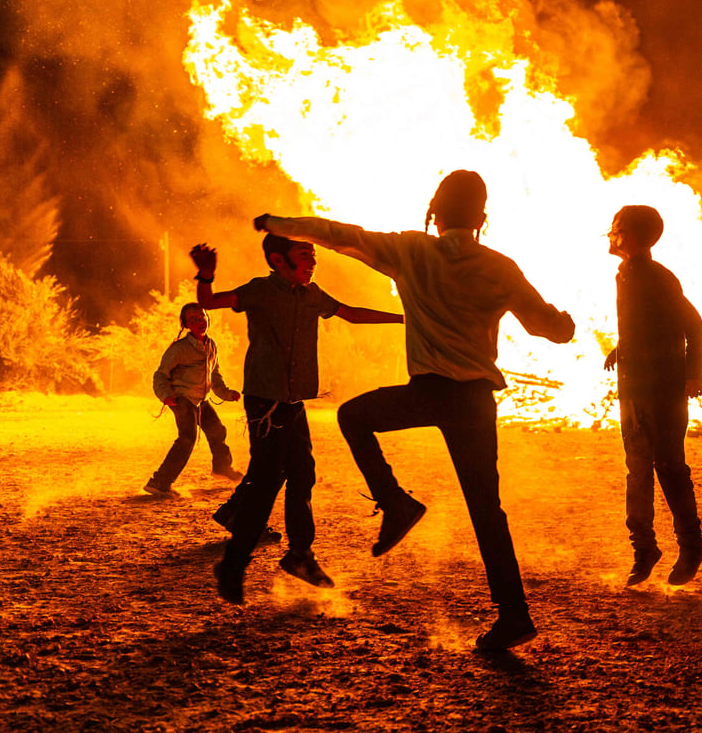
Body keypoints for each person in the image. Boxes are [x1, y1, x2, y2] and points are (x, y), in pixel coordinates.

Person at [254, 169, 575, 651]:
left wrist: (279, 223)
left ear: (433, 213)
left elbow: (338, 236)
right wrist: (563, 323)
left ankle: (397, 502)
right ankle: (514, 616)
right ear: (482, 218)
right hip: (474, 401)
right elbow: (547, 328)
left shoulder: (410, 250)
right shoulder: (500, 266)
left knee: (353, 416)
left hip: (428, 392)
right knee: (487, 510)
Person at [192, 235, 404, 604]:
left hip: (293, 402)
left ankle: (300, 555)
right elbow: (209, 302)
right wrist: (206, 275)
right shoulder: (259, 291)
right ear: (278, 260)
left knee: (303, 473)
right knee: (267, 481)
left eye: (314, 257)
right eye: (303, 256)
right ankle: (233, 564)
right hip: (265, 404)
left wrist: (406, 318)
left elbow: (351, 314)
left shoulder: (313, 296)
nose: (312, 262)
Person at [602, 205, 702, 587]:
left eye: (616, 229)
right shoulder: (626, 275)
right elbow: (641, 325)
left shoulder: (658, 278)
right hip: (633, 389)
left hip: (662, 390)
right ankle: (644, 549)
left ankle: (691, 545)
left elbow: (692, 326)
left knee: (668, 467)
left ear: (631, 236)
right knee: (638, 471)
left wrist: (692, 375)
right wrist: (621, 348)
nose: (610, 235)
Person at [144, 303, 242, 497]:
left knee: (217, 431)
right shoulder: (179, 349)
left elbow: (215, 375)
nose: (200, 322)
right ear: (186, 324)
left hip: (200, 400)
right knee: (187, 438)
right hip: (181, 399)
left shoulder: (211, 345)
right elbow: (160, 375)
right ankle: (159, 483)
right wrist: (166, 396)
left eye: (202, 317)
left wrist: (226, 393)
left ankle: (222, 468)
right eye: (193, 319)